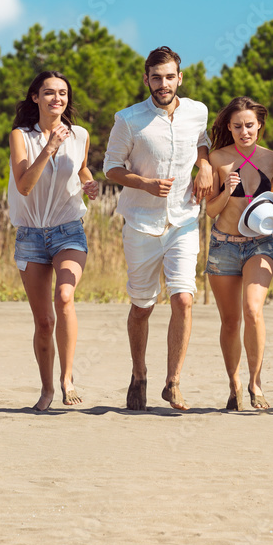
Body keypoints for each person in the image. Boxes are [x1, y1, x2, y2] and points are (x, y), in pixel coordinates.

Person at [104, 46, 213, 411]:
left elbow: (203, 142)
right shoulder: (128, 119)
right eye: (156, 77)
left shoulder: (198, 111)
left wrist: (206, 166)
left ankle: (173, 382)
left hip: (184, 220)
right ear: (146, 79)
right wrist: (144, 184)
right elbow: (111, 168)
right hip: (141, 224)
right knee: (142, 307)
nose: (163, 84)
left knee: (183, 298)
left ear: (179, 78)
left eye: (170, 77)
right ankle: (139, 374)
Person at [8, 71, 99, 412]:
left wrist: (88, 183)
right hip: (31, 234)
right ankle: (46, 388)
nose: (56, 99)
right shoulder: (21, 136)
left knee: (65, 296)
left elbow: (83, 168)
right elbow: (24, 186)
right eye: (48, 93)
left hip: (68, 229)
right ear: (35, 98)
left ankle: (67, 378)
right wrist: (49, 148)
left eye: (62, 93)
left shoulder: (81, 135)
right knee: (44, 321)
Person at [204, 96, 273, 411]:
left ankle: (256, 383)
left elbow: (269, 202)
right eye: (237, 126)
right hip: (223, 244)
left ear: (259, 125)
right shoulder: (217, 158)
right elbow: (210, 210)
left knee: (253, 310)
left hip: (260, 244)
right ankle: (235, 384)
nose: (244, 131)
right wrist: (226, 190)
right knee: (230, 321)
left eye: (250, 125)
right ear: (229, 127)